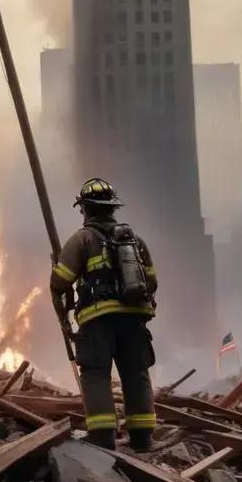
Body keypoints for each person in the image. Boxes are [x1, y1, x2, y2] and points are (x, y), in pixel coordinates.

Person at [49, 178, 157, 451]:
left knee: (96, 374)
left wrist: (58, 267)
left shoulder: (82, 239)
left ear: (85, 209)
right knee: (136, 373)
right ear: (112, 208)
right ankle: (142, 438)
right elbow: (152, 282)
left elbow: (60, 282)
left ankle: (102, 436)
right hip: (134, 318)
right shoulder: (135, 241)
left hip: (99, 320)